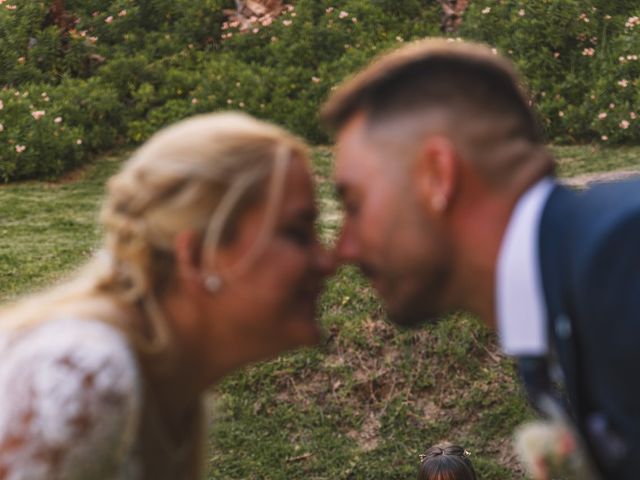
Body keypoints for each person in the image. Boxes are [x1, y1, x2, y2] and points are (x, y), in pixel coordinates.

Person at [321, 38, 640, 479]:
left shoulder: (623, 257)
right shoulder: (561, 309)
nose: (343, 249)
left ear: (438, 176)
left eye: (355, 204)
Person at [0, 112, 334, 479]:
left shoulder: (175, 394)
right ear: (196, 256)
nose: (327, 260)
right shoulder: (86, 375)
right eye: (297, 233)